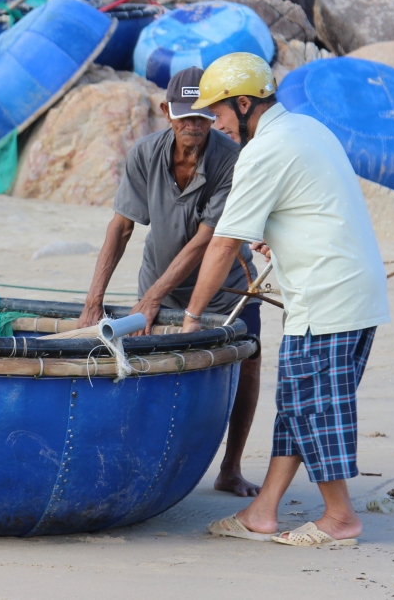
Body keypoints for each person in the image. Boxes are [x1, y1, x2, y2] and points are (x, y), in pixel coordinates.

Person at [182, 52, 390, 547]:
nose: (217, 124)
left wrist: (192, 317)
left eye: (220, 111)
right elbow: (315, 206)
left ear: (245, 102)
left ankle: (340, 517)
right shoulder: (306, 129)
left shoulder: (264, 149)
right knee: (298, 403)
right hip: (354, 290)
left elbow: (224, 244)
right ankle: (263, 512)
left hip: (327, 298)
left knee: (315, 405)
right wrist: (283, 234)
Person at [79, 66, 264, 497]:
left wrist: (152, 297)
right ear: (166, 112)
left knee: (249, 361)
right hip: (156, 281)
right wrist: (94, 302)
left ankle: (231, 468)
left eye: (201, 116)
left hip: (226, 286)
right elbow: (120, 228)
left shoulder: (231, 161)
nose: (192, 126)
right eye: (184, 117)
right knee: (148, 366)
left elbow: (207, 240)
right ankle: (144, 464)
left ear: (214, 115)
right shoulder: (144, 155)